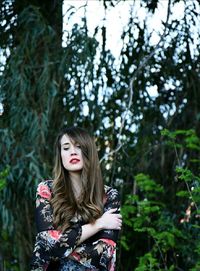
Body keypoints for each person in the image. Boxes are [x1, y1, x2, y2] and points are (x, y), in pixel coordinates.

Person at [30, 126, 122, 271]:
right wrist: (98, 224)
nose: (73, 152)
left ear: (88, 151)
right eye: (66, 148)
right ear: (60, 155)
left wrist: (60, 246)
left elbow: (105, 253)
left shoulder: (109, 196)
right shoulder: (46, 190)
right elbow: (47, 243)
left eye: (78, 147)